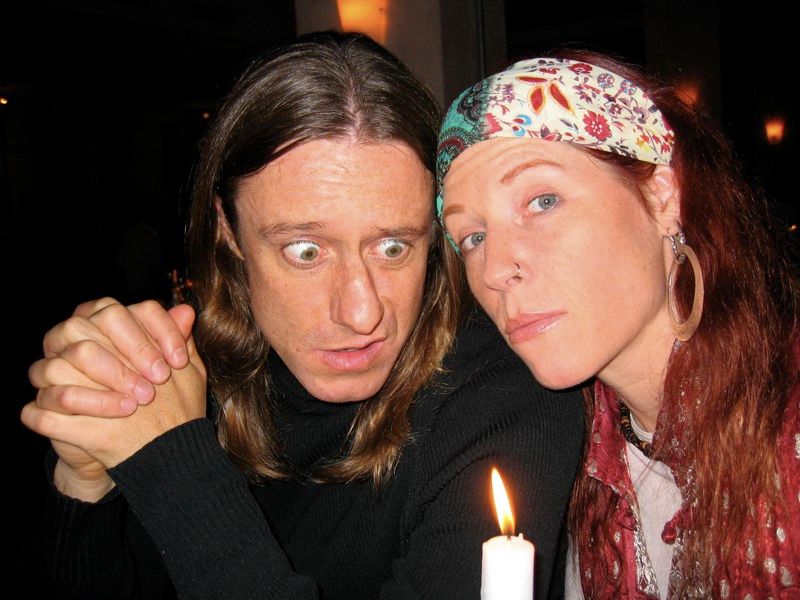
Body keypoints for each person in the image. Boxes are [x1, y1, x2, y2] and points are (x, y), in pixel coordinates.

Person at [19, 32, 584, 599]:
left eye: (393, 247)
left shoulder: (506, 397)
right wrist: (85, 482)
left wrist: (171, 464)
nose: (361, 313)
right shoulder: (183, 379)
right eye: (306, 251)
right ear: (228, 230)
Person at [436, 51, 800, 597]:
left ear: (661, 195)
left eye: (542, 201)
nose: (493, 270)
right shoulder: (571, 461)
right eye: (474, 237)